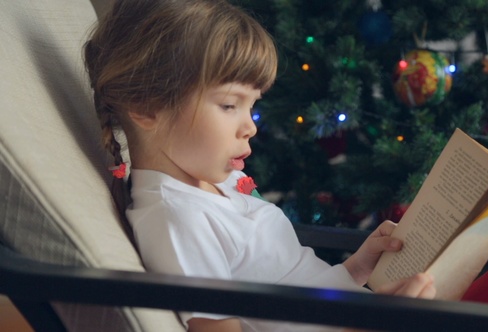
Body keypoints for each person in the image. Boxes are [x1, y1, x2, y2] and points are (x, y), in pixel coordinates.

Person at [84, 0, 435, 331]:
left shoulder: (214, 183)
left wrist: (358, 267)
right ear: (146, 107)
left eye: (252, 105)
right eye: (229, 105)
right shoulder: (179, 220)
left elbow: (289, 287)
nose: (251, 126)